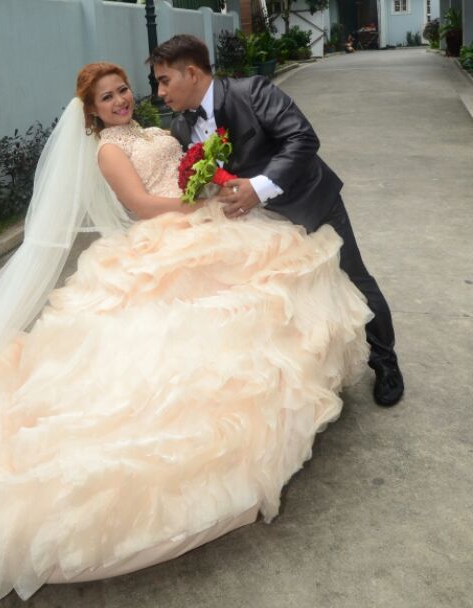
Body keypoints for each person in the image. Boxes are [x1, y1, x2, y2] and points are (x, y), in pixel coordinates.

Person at [0, 62, 371, 604]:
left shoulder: (158, 129)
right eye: (107, 98)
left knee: (263, 302)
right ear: (91, 111)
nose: (120, 101)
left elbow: (187, 164)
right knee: (168, 341)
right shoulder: (109, 149)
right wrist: (200, 201)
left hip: (204, 225)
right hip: (166, 236)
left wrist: (209, 178)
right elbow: (141, 205)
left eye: (123, 91)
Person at [149, 34, 403, 407]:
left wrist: (258, 187)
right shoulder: (181, 127)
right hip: (259, 227)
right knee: (290, 300)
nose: (159, 92)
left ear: (191, 73)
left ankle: (386, 362)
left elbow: (303, 139)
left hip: (309, 202)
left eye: (164, 81)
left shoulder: (252, 91)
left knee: (353, 277)